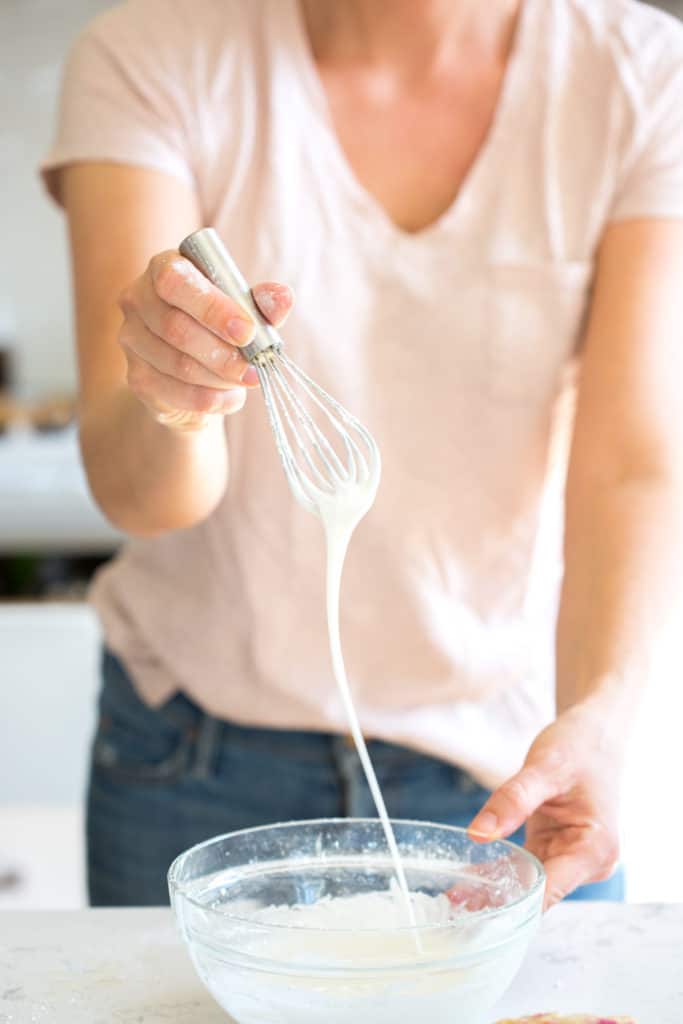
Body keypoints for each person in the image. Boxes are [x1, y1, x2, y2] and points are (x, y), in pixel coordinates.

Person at [41, 0, 683, 909]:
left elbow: (631, 462)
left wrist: (601, 717)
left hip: (508, 770)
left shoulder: (640, 74)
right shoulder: (150, 54)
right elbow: (145, 495)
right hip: (195, 768)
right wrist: (177, 398)